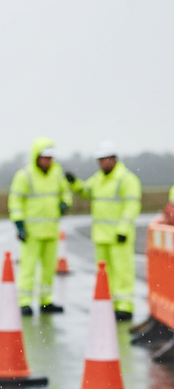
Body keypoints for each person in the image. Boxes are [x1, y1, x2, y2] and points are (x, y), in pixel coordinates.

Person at [66, 140, 141, 321]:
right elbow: (86, 192)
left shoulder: (127, 179)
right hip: (101, 236)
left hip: (119, 236)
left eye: (107, 159)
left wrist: (123, 229)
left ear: (114, 159)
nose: (103, 163)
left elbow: (132, 205)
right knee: (104, 273)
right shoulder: (98, 179)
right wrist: (74, 183)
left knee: (122, 271)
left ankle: (124, 306)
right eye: (100, 160)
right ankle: (108, 303)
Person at [8, 137, 72, 316]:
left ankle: (46, 301)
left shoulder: (57, 173)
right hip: (31, 233)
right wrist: (19, 225)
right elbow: (15, 201)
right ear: (36, 157)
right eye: (44, 157)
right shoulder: (25, 175)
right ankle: (24, 302)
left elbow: (65, 192)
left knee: (48, 269)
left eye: (50, 158)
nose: (47, 161)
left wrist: (65, 203)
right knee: (28, 267)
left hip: (51, 232)